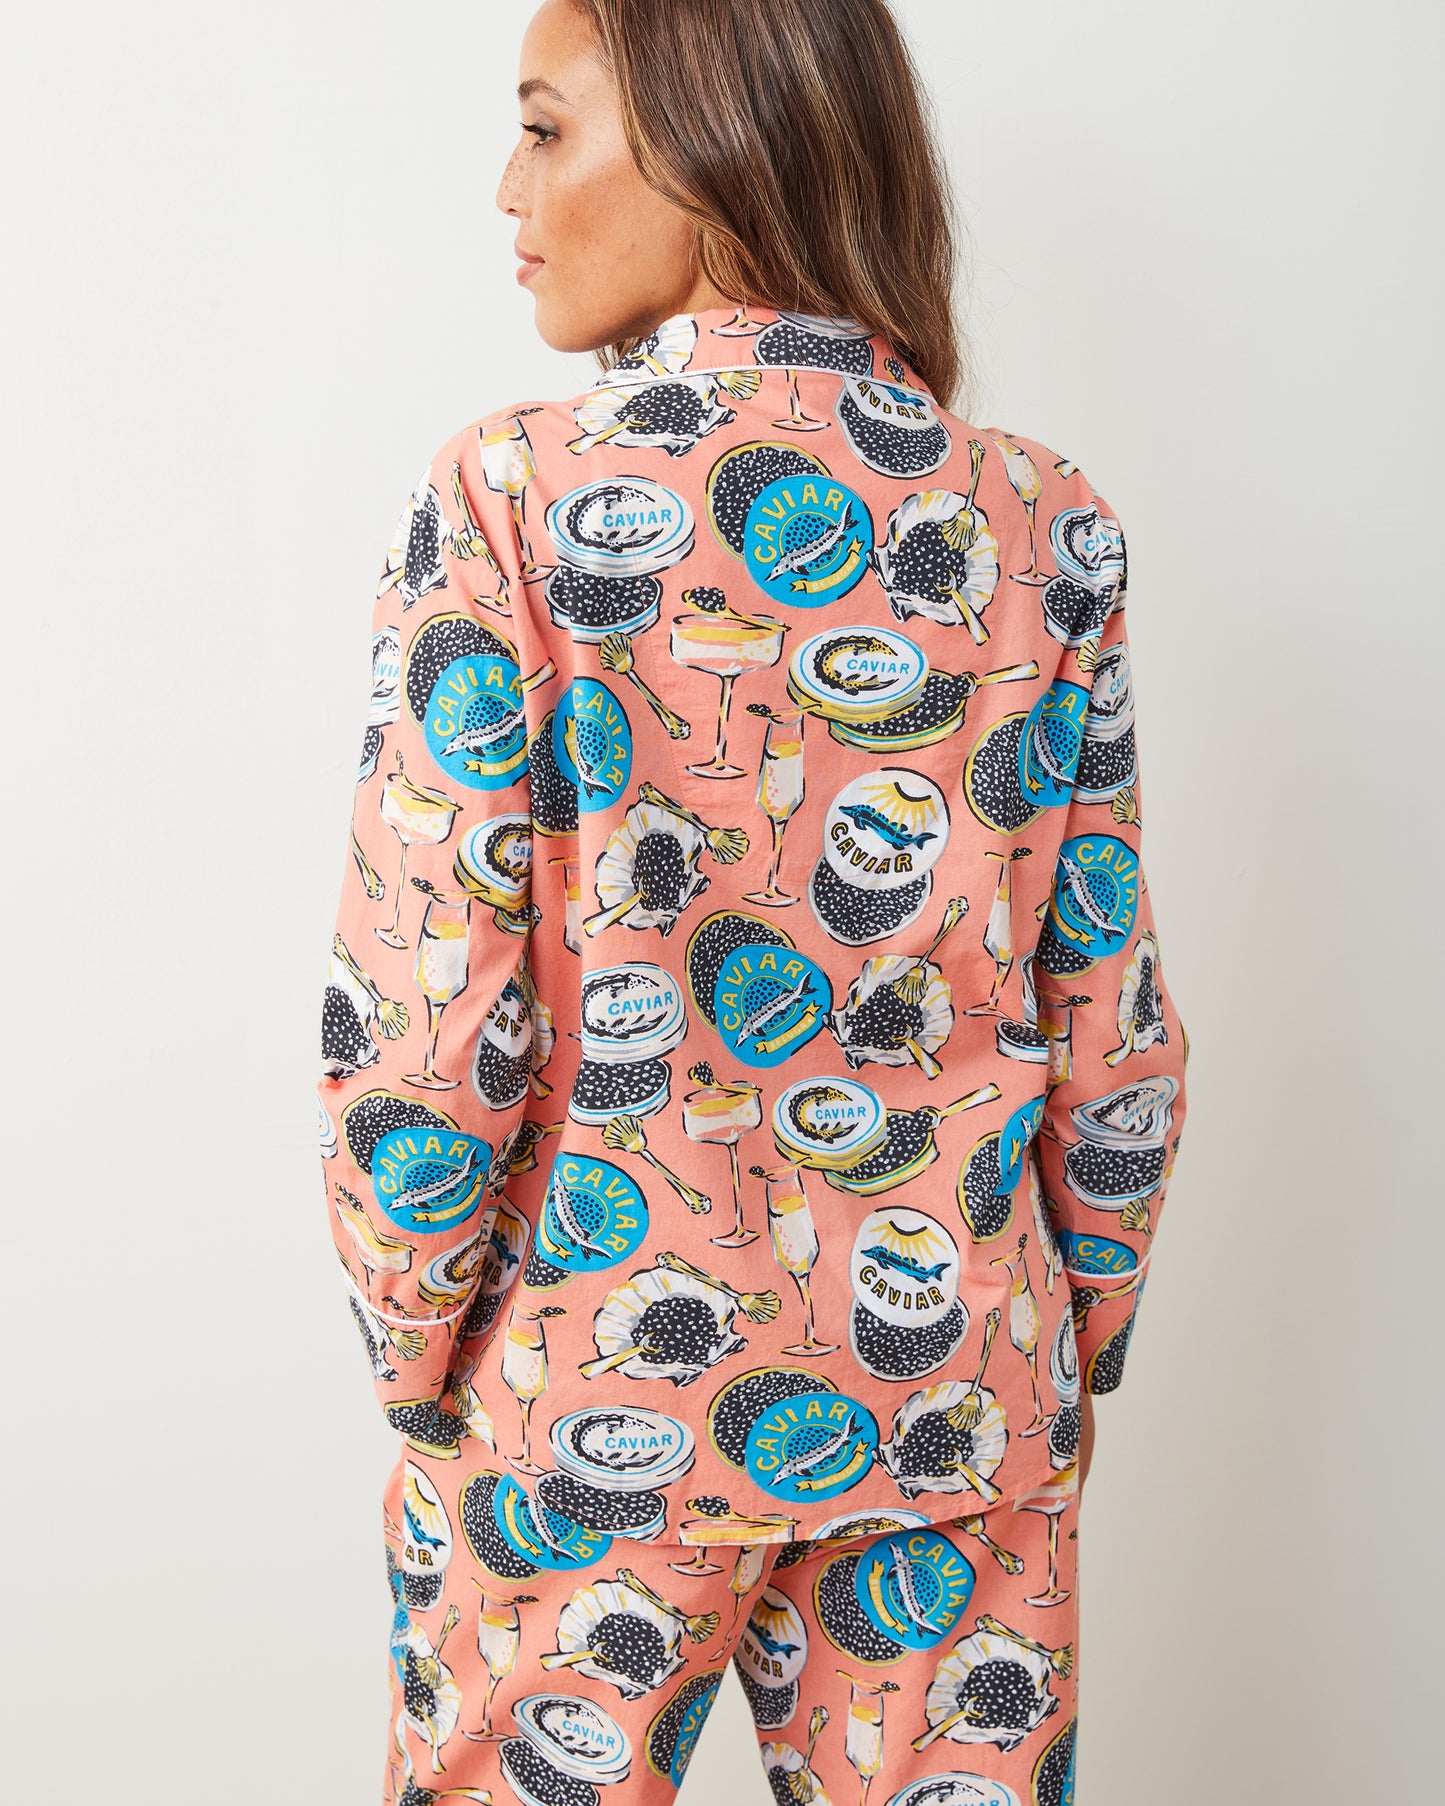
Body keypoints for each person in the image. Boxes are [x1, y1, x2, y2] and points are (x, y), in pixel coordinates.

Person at [313, 2, 1190, 1800]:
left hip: (580, 1397)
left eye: (545, 129)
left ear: (713, 140)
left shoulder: (510, 497)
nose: (507, 189)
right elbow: (1107, 1016)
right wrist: (1065, 1338)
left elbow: (425, 1013)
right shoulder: (1044, 521)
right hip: (956, 1396)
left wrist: (419, 1347)